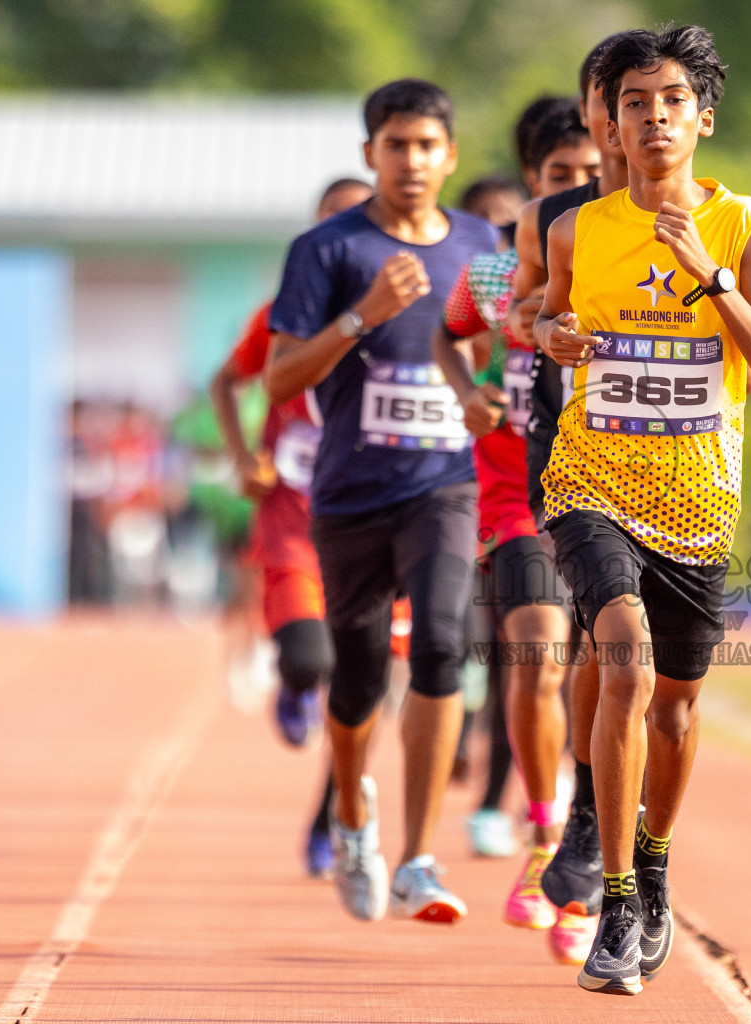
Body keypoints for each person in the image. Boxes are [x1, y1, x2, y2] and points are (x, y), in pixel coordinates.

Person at [533, 26, 751, 994]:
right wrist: (550, 333)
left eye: (673, 101)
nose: (654, 117)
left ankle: (652, 861)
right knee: (622, 660)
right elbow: (535, 312)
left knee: (679, 711)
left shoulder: (743, 226)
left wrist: (713, 280)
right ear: (610, 118)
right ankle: (612, 899)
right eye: (636, 102)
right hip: (589, 480)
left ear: (704, 118)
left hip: (696, 496)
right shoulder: (575, 226)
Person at [265, 78, 499, 924]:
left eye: (428, 146)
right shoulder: (326, 251)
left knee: (442, 647)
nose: (412, 161)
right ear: (371, 154)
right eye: (396, 145)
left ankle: (420, 858)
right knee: (357, 681)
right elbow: (281, 376)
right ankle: (352, 814)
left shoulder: (482, 244)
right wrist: (362, 317)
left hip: (444, 485)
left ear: (452, 156)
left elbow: (498, 350)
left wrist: (482, 397)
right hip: (351, 494)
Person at [431, 96, 600, 960]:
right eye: (558, 176)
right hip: (517, 495)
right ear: (531, 184)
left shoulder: (633, 263)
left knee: (603, 682)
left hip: (615, 493)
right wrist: (470, 395)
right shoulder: (496, 275)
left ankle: (591, 847)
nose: (577, 187)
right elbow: (446, 335)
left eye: (589, 174)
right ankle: (543, 839)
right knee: (534, 658)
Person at [507, 31, 634, 958]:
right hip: (567, 453)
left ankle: (590, 825)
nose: (627, 123)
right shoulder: (552, 219)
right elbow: (506, 310)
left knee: (644, 669)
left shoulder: (708, 215)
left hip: (676, 456)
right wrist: (545, 327)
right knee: (576, 638)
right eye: (614, 101)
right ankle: (564, 816)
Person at [210, 176, 375, 876]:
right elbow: (227, 383)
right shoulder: (283, 316)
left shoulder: (407, 309)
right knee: (313, 660)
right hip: (296, 522)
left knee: (362, 690)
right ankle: (296, 680)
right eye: (328, 227)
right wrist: (245, 458)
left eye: (357, 223)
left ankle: (331, 817)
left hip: (378, 523)